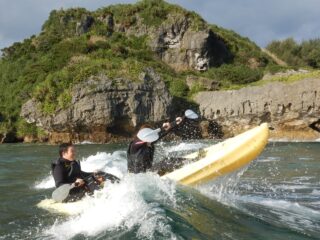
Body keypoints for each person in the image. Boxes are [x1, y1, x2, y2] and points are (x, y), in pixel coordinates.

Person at [51, 143, 117, 202]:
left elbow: (81, 173)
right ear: (64, 153)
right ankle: (105, 200)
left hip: (78, 188)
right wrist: (75, 184)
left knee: (99, 174)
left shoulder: (73, 163)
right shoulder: (59, 166)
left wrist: (93, 174)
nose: (75, 153)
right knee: (91, 181)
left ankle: (119, 184)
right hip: (68, 194)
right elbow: (59, 185)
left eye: (74, 151)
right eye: (72, 151)